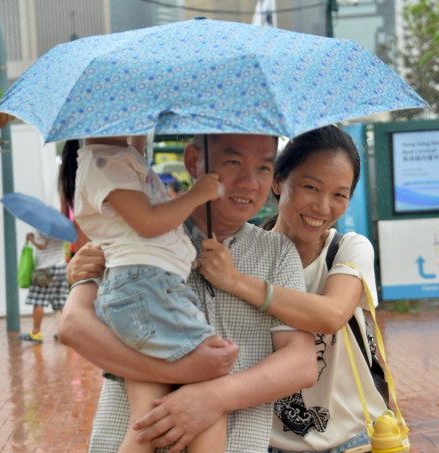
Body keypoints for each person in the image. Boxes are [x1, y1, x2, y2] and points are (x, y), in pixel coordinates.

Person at [59, 133, 317, 453]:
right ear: (193, 161)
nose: (249, 182)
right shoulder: (134, 237)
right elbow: (72, 328)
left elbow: (302, 363)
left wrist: (210, 397)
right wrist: (82, 276)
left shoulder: (277, 252)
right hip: (124, 436)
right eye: (233, 162)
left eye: (264, 168)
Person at [197, 126, 388, 452]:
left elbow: (331, 315)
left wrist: (236, 282)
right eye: (311, 187)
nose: (323, 206)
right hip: (266, 444)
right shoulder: (236, 252)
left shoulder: (349, 249)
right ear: (277, 181)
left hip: (353, 441)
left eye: (339, 195)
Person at [60, 133, 227, 453]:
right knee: (211, 382)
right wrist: (197, 193)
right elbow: (149, 222)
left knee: (147, 419)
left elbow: (136, 152)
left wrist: (139, 136)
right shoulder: (106, 162)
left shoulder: (119, 155)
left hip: (142, 288)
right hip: (148, 287)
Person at [18, 229, 69, 342]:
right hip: (61, 267)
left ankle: (36, 333)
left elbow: (41, 245)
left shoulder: (41, 229)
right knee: (61, 301)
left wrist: (31, 238)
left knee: (38, 301)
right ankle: (69, 332)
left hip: (45, 270)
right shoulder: (59, 230)